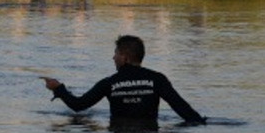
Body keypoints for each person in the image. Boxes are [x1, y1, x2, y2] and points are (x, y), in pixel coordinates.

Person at [41, 35, 206, 125]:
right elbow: (184, 110)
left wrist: (58, 88)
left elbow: (78, 105)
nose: (113, 57)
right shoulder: (157, 79)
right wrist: (201, 122)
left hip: (119, 132)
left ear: (125, 57)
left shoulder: (109, 83)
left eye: (116, 53)